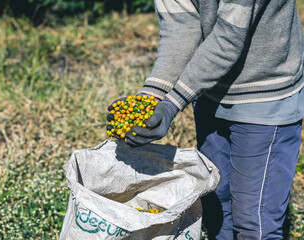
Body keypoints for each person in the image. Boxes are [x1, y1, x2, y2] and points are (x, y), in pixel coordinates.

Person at [107, 0, 304, 239]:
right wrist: (151, 97)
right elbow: (181, 30)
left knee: (255, 224)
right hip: (210, 92)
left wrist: (172, 104)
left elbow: (229, 38)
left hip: (265, 96)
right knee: (217, 212)